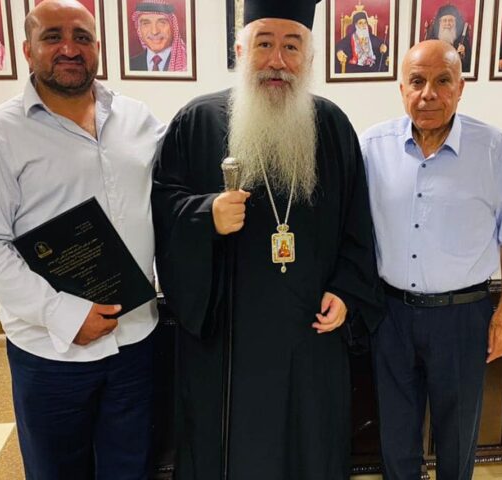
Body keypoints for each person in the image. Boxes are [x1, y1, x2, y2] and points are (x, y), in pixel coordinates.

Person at [151, 0, 384, 477]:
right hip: (228, 343)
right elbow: (163, 212)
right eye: (264, 44)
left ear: (309, 58)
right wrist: (206, 215)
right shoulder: (197, 122)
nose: (277, 60)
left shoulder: (333, 127)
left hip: (310, 340)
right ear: (240, 52)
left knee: (309, 448)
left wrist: (346, 291)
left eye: (291, 47)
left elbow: (358, 225)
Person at [0, 1, 164, 478]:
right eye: (53, 37)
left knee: (132, 468)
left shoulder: (138, 120)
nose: (69, 48)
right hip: (52, 353)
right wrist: (64, 315)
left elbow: (175, 194)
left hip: (136, 340)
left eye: (81, 37)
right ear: (27, 50)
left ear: (98, 47)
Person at [360, 40, 502, 480]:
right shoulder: (372, 147)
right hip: (390, 314)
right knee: (396, 432)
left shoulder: (493, 149)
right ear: (401, 89)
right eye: (417, 81)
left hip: (462, 317)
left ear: (460, 88)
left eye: (442, 81)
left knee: (458, 433)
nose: (428, 94)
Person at [129, 0, 187, 71]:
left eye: (162, 23)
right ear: (139, 29)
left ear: (173, 27)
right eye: (146, 23)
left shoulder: (187, 64)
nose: (154, 32)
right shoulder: (129, 65)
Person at [424, 4, 471, 72]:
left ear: (455, 23)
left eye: (451, 20)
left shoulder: (463, 41)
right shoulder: (431, 41)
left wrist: (463, 57)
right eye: (444, 20)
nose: (447, 24)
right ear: (439, 23)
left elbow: (468, 68)